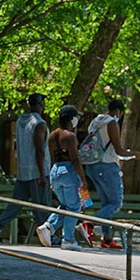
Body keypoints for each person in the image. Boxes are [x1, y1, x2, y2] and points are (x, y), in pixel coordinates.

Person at [80, 98, 140, 250]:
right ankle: (89, 225)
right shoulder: (112, 123)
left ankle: (106, 239)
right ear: (118, 111)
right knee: (116, 203)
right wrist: (136, 154)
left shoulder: (95, 122)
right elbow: (119, 150)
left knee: (107, 203)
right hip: (107, 166)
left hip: (92, 166)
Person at [0, 92, 49, 244]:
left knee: (16, 203)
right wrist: (42, 173)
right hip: (36, 172)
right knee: (41, 206)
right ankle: (49, 236)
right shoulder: (39, 124)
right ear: (41, 104)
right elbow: (39, 149)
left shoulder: (20, 121)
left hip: (22, 170)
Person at [38, 105, 87, 250]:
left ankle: (48, 226)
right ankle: (68, 239)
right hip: (68, 171)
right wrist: (83, 179)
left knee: (65, 206)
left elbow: (52, 157)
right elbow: (75, 160)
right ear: (71, 119)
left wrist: (51, 177)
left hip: (55, 171)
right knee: (74, 206)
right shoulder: (70, 136)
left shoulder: (52, 135)